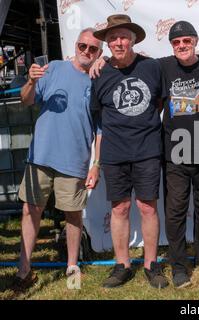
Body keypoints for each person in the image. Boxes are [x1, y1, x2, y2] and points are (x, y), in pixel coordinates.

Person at [14, 28, 103, 291]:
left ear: (100, 52)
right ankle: (23, 269)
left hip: (75, 160)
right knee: (30, 210)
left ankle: (72, 268)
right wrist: (30, 81)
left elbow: (101, 131)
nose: (86, 51)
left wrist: (96, 164)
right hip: (40, 155)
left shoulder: (98, 81)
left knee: (73, 215)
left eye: (93, 48)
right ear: (75, 45)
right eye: (82, 45)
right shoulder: (52, 68)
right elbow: (26, 100)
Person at [90, 14, 168, 289]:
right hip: (114, 152)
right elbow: (98, 120)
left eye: (123, 36)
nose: (118, 42)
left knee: (147, 207)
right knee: (119, 208)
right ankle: (122, 265)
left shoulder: (152, 67)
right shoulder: (99, 73)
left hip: (147, 148)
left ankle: (151, 264)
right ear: (107, 43)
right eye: (113, 38)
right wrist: (96, 162)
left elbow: (158, 102)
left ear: (133, 40)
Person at [159, 21, 199, 288]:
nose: (182, 46)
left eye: (186, 40)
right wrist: (101, 60)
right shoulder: (163, 67)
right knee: (175, 212)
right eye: (176, 42)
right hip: (175, 153)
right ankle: (179, 265)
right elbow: (132, 61)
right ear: (171, 45)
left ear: (195, 41)